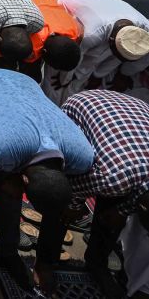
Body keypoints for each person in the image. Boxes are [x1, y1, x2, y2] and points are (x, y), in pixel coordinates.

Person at [0, 69, 94, 294]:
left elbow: (62, 206)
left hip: (24, 84)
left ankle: (8, 253)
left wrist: (45, 264)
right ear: (23, 177)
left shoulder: (82, 156)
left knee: (15, 189)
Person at [62, 90, 149, 298]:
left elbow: (142, 190)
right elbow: (74, 187)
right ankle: (46, 261)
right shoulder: (113, 177)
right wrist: (74, 207)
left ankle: (96, 262)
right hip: (83, 107)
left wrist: (121, 211)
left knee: (115, 208)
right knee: (62, 199)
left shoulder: (134, 183)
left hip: (130, 120)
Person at [45, 0, 149, 104]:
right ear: (112, 40)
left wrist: (98, 75)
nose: (115, 56)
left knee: (80, 79)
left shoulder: (143, 31)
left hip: (101, 16)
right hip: (68, 12)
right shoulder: (90, 34)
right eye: (115, 53)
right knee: (55, 83)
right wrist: (64, 78)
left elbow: (116, 56)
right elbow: (72, 59)